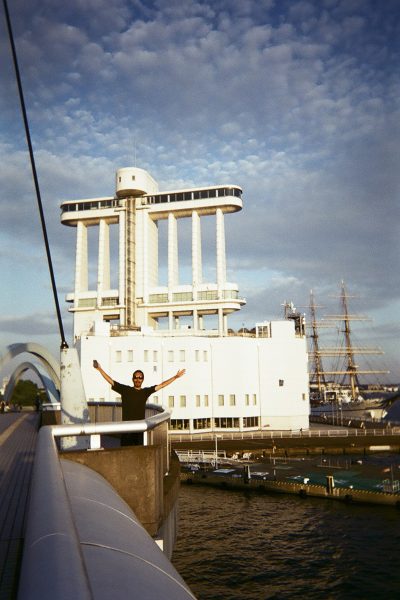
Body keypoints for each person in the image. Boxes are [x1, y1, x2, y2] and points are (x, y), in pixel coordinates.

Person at [93, 359, 185, 445]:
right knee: (126, 451)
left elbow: (161, 385)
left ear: (143, 379)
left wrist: (175, 377)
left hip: (139, 429)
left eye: (140, 378)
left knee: (138, 450)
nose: (138, 379)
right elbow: (111, 381)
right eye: (136, 377)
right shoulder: (126, 390)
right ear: (133, 379)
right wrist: (99, 369)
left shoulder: (145, 392)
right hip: (126, 429)